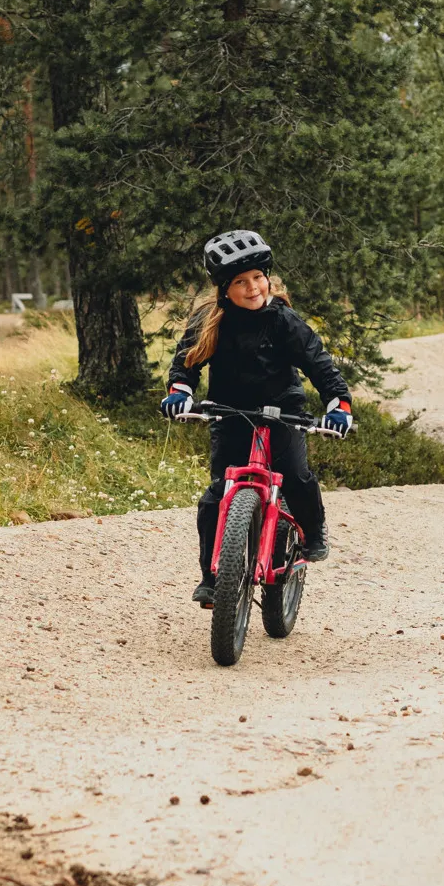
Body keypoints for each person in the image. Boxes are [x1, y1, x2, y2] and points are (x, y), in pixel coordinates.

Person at [161, 230, 354, 606]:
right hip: (230, 413)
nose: (252, 288)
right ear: (223, 289)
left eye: (257, 277)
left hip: (284, 412)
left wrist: (338, 405)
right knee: (217, 496)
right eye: (240, 282)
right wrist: (180, 392)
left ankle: (313, 532)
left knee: (296, 477)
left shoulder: (283, 319)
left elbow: (320, 365)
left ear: (267, 277)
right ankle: (211, 577)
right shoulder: (210, 319)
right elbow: (185, 364)